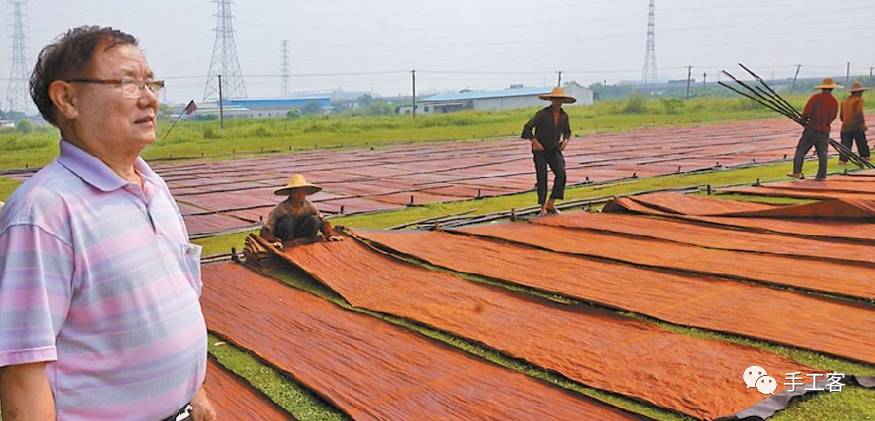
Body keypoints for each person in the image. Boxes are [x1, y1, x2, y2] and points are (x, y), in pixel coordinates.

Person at [0, 26, 215, 421]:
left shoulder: (153, 186)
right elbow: (22, 371)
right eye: (128, 83)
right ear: (68, 98)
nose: (150, 98)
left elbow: (182, 300)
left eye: (151, 82)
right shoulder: (43, 214)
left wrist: (194, 392)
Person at [521, 86, 575, 215]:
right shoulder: (542, 114)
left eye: (560, 100)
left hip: (554, 148)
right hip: (540, 149)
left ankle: (551, 203)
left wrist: (565, 141)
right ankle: (542, 207)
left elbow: (567, 131)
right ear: (551, 100)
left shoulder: (564, 116)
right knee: (542, 177)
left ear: (562, 101)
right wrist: (534, 141)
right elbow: (527, 129)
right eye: (555, 99)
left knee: (561, 174)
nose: (557, 102)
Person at [260, 174, 339, 247]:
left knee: (314, 219)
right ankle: (287, 245)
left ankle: (308, 243)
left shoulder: (309, 206)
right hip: (285, 239)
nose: (300, 195)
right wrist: (273, 240)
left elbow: (322, 222)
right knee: (287, 221)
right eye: (297, 192)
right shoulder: (280, 209)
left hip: (303, 237)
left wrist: (330, 235)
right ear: (290, 193)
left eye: (303, 192)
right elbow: (267, 229)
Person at [788, 78, 840, 180]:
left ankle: (797, 172)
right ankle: (821, 175)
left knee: (801, 150)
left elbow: (807, 112)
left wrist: (802, 120)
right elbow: (833, 116)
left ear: (822, 88)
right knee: (823, 153)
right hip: (824, 130)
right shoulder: (834, 101)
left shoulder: (815, 98)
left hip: (811, 129)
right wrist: (825, 122)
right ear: (832, 89)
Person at [839, 81, 869, 163]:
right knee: (861, 141)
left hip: (845, 126)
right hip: (856, 125)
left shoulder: (844, 101)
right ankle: (865, 156)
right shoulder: (858, 100)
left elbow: (841, 116)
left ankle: (842, 160)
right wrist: (862, 124)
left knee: (845, 144)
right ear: (858, 92)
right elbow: (859, 113)